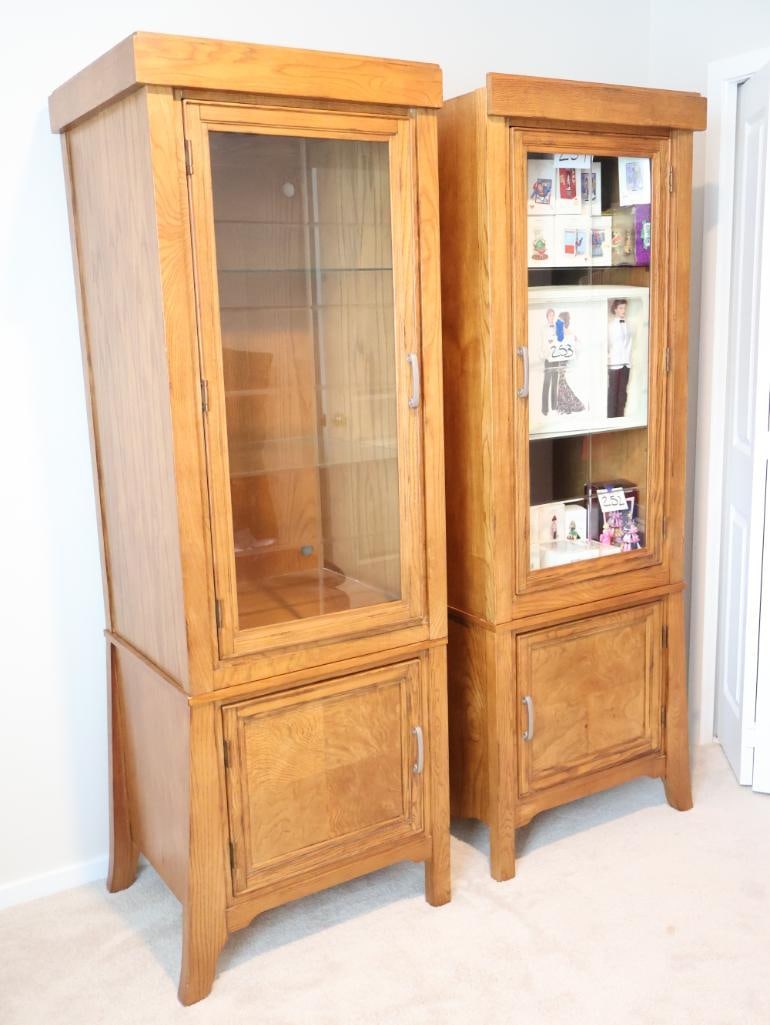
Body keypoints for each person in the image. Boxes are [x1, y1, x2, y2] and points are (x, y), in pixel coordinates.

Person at [554, 311, 585, 414]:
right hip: (558, 359)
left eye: (560, 320)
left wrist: (573, 350)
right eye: (558, 320)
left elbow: (578, 345)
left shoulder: (569, 332)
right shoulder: (558, 332)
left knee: (561, 382)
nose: (558, 322)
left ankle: (569, 405)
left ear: (565, 321)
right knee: (560, 382)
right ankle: (566, 405)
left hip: (564, 360)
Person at [607, 298, 632, 418]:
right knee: (613, 393)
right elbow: (608, 343)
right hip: (614, 363)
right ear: (615, 310)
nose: (623, 310)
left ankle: (620, 418)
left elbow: (629, 344)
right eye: (621, 308)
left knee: (622, 393)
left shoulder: (628, 325)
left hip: (626, 363)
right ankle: (611, 418)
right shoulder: (611, 326)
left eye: (624, 308)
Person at [541, 308, 559, 415]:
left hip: (556, 358)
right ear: (547, 317)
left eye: (553, 315)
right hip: (548, 358)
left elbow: (560, 340)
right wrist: (546, 354)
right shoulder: (543, 329)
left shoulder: (557, 328)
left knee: (555, 383)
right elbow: (543, 344)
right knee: (546, 383)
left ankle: (554, 406)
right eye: (550, 315)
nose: (551, 317)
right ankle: (544, 409)